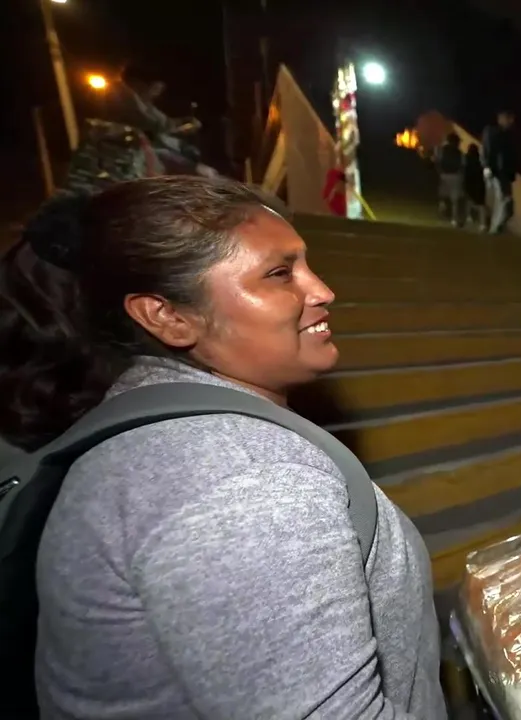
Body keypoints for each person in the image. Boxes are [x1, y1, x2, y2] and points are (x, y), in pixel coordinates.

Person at [0, 178, 446, 719]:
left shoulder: (175, 438)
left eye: (306, 265)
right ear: (167, 316)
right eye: (279, 273)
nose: (323, 291)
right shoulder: (242, 480)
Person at [481, 110, 518, 234]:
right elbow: (488, 149)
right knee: (502, 200)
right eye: (508, 118)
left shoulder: (507, 134)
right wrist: (487, 166)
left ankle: (496, 226)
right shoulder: (493, 132)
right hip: (497, 171)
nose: (511, 122)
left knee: (504, 201)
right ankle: (494, 227)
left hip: (503, 172)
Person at [435, 131, 466, 228]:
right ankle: (454, 219)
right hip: (456, 177)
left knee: (443, 196)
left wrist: (439, 172)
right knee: (455, 201)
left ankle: (443, 212)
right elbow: (463, 165)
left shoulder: (441, 150)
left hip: (444, 175)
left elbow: (437, 162)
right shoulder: (460, 152)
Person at [463, 144, 487, 229]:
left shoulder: (465, 158)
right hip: (479, 183)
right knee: (481, 204)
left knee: (469, 200)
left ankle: (469, 217)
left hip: (469, 183)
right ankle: (483, 224)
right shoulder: (480, 159)